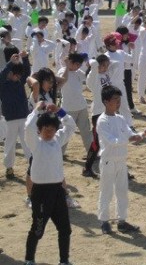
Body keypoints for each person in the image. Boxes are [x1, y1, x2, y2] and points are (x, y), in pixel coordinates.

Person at [23, 102, 76, 265]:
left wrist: (60, 111)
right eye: (45, 129)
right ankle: (29, 260)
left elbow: (71, 126)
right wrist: (37, 109)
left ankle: (64, 261)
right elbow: (28, 127)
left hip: (58, 191)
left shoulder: (57, 140)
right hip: (40, 193)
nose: (49, 132)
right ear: (40, 130)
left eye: (52, 129)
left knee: (65, 229)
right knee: (38, 230)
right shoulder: (35, 143)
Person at [96, 85, 146, 234]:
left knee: (122, 191)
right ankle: (104, 221)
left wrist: (141, 134)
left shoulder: (120, 118)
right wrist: (131, 138)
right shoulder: (102, 120)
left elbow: (129, 133)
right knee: (106, 191)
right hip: (108, 160)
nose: (118, 103)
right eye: (115, 100)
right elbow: (113, 140)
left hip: (121, 160)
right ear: (106, 102)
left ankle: (122, 220)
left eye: (119, 100)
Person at [1, 48, 32, 179]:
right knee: (10, 144)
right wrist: (10, 63)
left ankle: (32, 164)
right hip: (10, 119)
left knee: (28, 142)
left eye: (19, 76)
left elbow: (27, 72)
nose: (18, 77)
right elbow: (2, 75)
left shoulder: (19, 81)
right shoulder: (2, 84)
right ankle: (9, 168)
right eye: (16, 75)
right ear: (10, 73)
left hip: (24, 117)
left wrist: (24, 58)